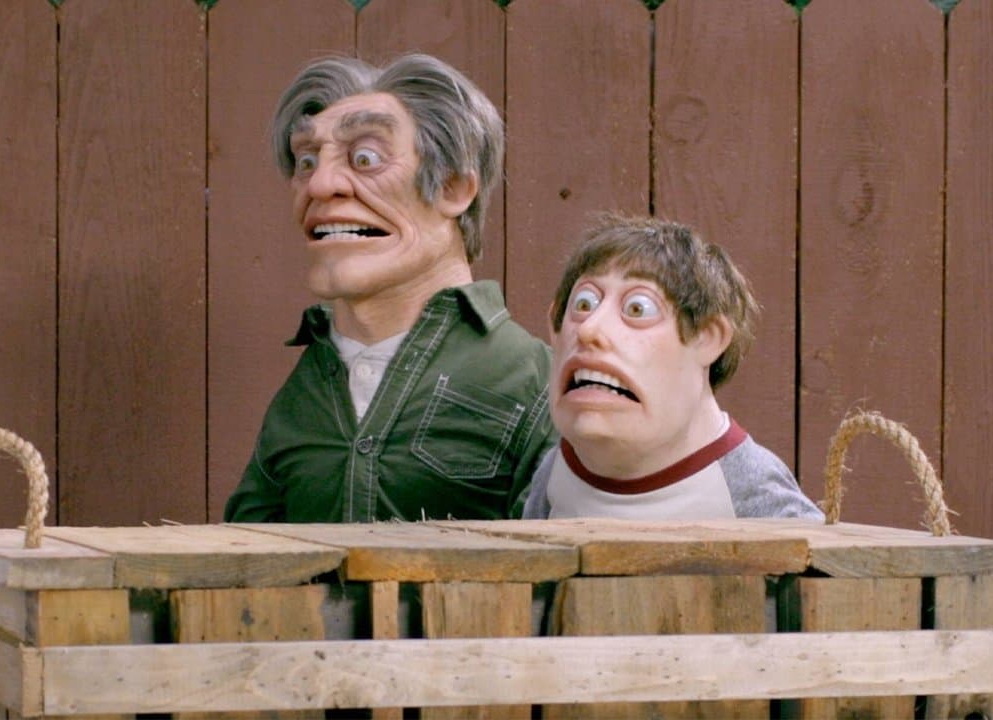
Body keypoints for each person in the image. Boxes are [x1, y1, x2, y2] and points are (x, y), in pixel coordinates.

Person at [224, 54, 555, 523]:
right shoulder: (302, 393)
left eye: (366, 158)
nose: (320, 184)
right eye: (306, 161)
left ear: (454, 187)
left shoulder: (536, 383)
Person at [522, 213, 822, 520]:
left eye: (637, 308)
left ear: (708, 338)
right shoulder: (557, 471)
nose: (589, 330)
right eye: (584, 304)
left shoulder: (755, 498)